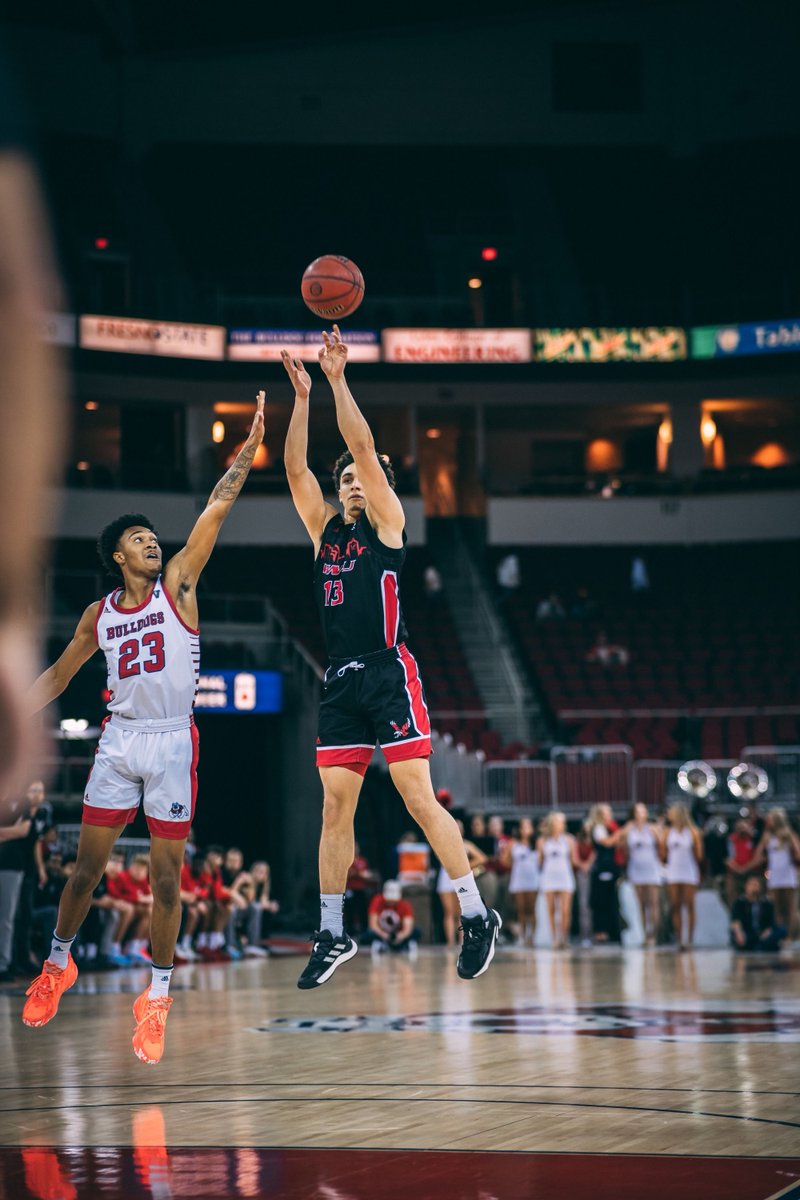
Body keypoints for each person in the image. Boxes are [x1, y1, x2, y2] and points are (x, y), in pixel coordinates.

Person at [20, 393, 265, 1063]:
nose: (153, 541)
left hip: (173, 740)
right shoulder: (98, 614)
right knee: (83, 875)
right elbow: (62, 675)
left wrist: (248, 448)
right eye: (138, 539)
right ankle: (58, 964)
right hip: (120, 739)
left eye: (153, 535)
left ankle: (156, 998)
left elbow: (217, 506)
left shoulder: (179, 583)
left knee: (165, 882)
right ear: (118, 558)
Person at [282, 329, 500, 988]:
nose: (349, 481)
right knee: (333, 811)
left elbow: (362, 447)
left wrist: (336, 380)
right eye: (343, 478)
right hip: (340, 680)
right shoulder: (326, 534)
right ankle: (331, 930)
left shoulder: (386, 524)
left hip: (387, 670)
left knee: (414, 796)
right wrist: (300, 398)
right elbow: (295, 473)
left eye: (357, 476)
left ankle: (475, 913)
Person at [748, 808, 800, 940]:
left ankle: (790, 936)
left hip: (788, 876)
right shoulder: (767, 836)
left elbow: (798, 853)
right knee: (776, 909)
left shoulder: (789, 835)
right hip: (774, 877)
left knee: (790, 909)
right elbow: (758, 855)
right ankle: (779, 935)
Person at [436, 820, 488, 947]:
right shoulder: (442, 843)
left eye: (460, 827)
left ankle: (462, 942)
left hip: (460, 877)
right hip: (446, 878)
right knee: (448, 912)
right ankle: (450, 943)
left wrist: (466, 866)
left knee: (461, 911)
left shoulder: (466, 845)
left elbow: (482, 858)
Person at [659, 803, 703, 950]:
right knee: (675, 905)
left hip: (689, 871)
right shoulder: (668, 832)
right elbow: (663, 854)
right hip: (673, 871)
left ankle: (689, 939)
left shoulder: (693, 832)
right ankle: (679, 939)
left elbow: (699, 855)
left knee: (689, 905)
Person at [621, 802, 663, 945]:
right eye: (638, 811)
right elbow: (625, 849)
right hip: (636, 868)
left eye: (643, 811)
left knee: (653, 903)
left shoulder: (652, 828)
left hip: (651, 868)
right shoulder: (629, 829)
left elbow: (661, 847)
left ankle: (654, 935)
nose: (641, 814)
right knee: (642, 905)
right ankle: (645, 935)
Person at [537, 812, 579, 949]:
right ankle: (554, 939)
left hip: (564, 876)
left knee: (565, 909)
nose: (561, 824)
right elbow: (540, 861)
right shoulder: (542, 841)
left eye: (562, 821)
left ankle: (564, 938)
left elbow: (574, 860)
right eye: (558, 821)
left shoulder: (570, 840)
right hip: (549, 876)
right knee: (551, 909)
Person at [586, 803, 622, 944]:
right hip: (603, 868)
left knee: (610, 900)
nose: (610, 815)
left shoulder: (610, 828)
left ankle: (611, 931)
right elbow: (607, 843)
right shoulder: (599, 829)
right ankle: (601, 932)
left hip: (612, 867)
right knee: (601, 901)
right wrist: (620, 833)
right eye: (607, 812)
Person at [504, 817, 539, 947]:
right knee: (521, 910)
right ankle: (523, 937)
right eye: (523, 827)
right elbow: (504, 860)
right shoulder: (513, 843)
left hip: (533, 880)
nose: (525, 829)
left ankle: (533, 937)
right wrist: (513, 864)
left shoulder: (536, 843)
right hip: (518, 880)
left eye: (528, 826)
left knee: (532, 910)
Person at [730, 875, 785, 953]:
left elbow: (771, 922)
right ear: (746, 886)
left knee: (781, 930)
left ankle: (760, 946)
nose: (754, 888)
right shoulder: (739, 903)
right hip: (748, 932)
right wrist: (739, 933)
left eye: (756, 885)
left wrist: (768, 930)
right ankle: (759, 946)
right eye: (751, 885)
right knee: (740, 938)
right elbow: (735, 921)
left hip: (762, 933)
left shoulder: (766, 903)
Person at [365, 879, 419, 957]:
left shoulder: (405, 905)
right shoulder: (377, 901)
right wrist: (384, 935)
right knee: (368, 934)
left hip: (398, 933)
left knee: (416, 932)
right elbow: (372, 924)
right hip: (381, 933)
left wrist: (401, 936)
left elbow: (408, 927)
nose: (391, 902)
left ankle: (404, 945)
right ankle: (382, 944)